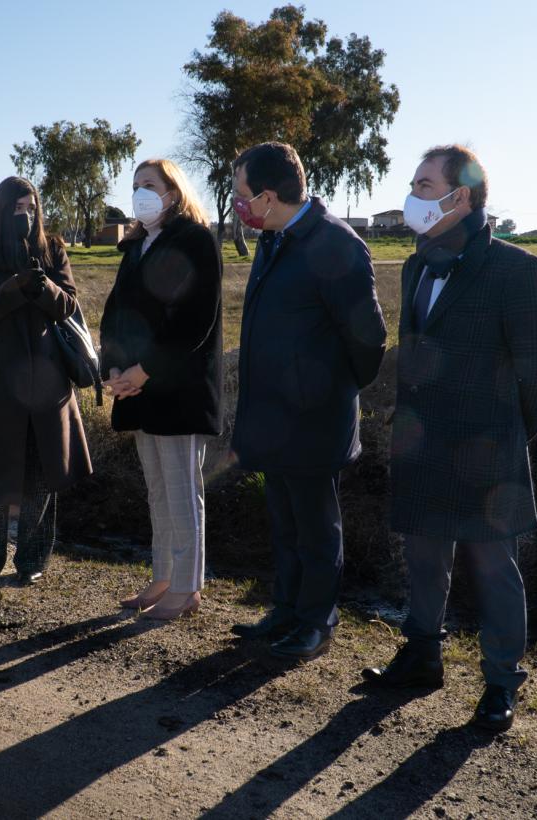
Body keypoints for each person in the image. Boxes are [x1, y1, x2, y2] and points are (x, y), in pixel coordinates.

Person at [362, 145, 537, 732]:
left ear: (463, 196)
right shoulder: (415, 264)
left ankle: (501, 681)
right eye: (415, 183)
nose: (413, 195)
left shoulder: (516, 269)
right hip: (422, 442)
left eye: (425, 185)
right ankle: (421, 655)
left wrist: (509, 433)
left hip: (487, 451)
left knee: (493, 569)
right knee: (424, 557)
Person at [228, 142, 387, 661]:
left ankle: (316, 622)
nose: (237, 205)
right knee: (285, 521)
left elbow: (367, 341)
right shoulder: (273, 242)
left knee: (317, 528)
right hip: (271, 418)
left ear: (270, 196)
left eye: (241, 194)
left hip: (314, 420)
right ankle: (286, 609)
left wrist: (327, 393)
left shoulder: (335, 245)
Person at [101, 159, 223, 620]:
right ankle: (163, 576)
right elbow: (116, 313)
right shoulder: (135, 246)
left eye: (150, 185)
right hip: (138, 387)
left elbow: (194, 319)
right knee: (158, 489)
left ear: (174, 191)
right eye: (135, 186)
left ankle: (188, 586)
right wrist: (113, 365)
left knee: (181, 487)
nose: (140, 194)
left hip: (177, 387)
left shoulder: (195, 240)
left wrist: (145, 369)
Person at [0, 176, 93, 586]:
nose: (26, 215)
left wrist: (43, 284)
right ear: (1, 211)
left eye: (31, 207)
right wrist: (15, 287)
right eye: (18, 209)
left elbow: (68, 304)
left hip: (47, 378)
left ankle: (32, 559)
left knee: (41, 474)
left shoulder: (51, 249)